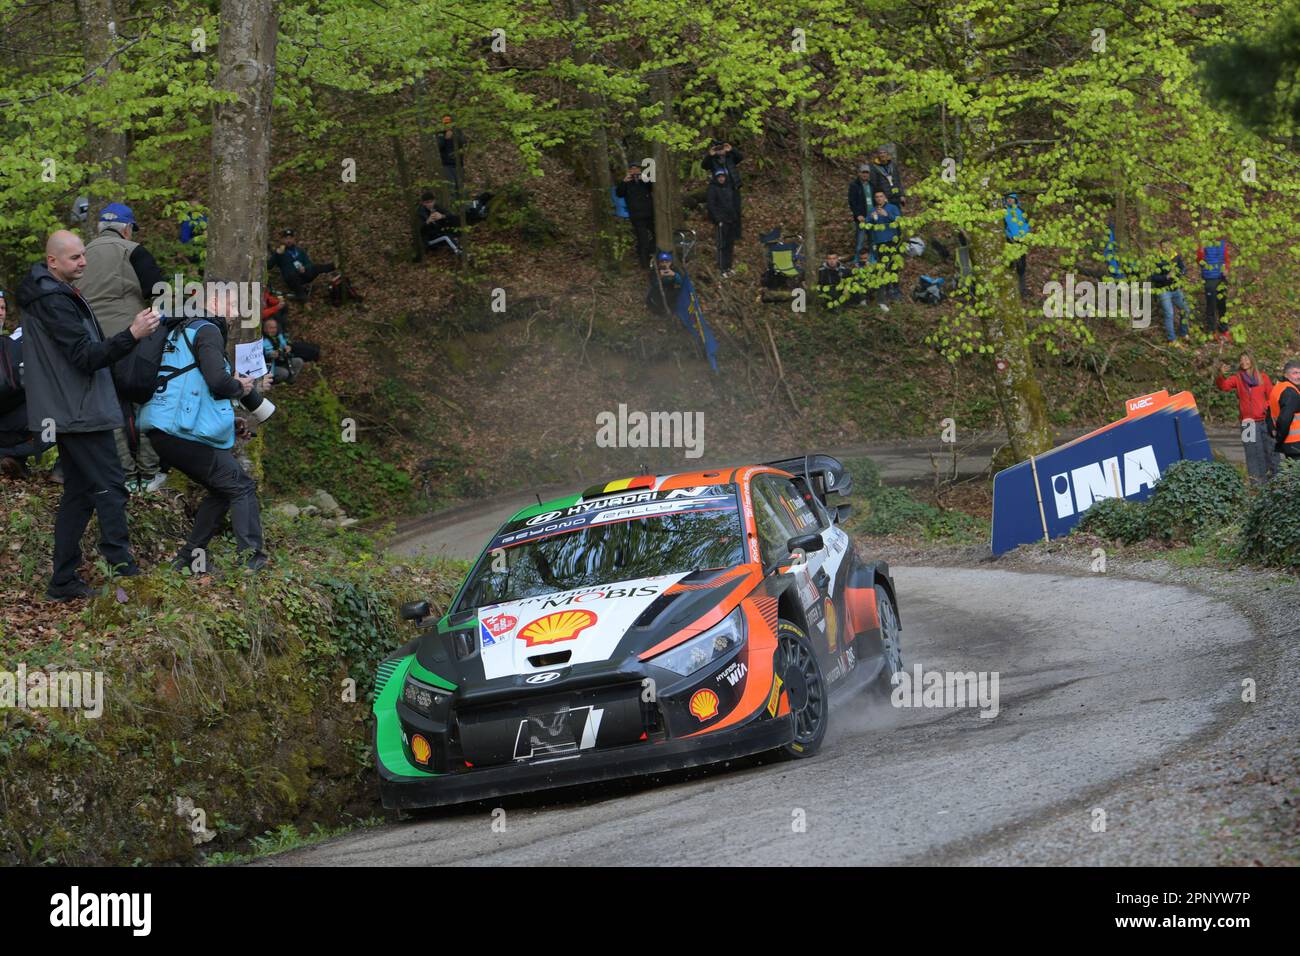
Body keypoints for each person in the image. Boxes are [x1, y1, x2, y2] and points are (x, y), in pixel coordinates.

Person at [16, 230, 159, 600]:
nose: (83, 262)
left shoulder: (55, 293)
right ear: (52, 262)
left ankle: (62, 581)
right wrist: (133, 333)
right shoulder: (53, 299)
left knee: (79, 495)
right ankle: (124, 572)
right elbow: (85, 357)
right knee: (112, 487)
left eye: (83, 255)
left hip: (69, 408)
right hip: (76, 410)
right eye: (75, 258)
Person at [139, 282, 267, 572]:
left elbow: (190, 386)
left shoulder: (180, 329)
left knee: (223, 490)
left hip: (164, 429)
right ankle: (252, 561)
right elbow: (217, 381)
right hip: (179, 432)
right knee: (242, 486)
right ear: (215, 303)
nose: (235, 313)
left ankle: (187, 560)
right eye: (233, 305)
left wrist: (229, 420)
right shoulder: (207, 330)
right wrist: (241, 385)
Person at [79, 202, 168, 493]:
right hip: (133, 337)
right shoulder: (133, 251)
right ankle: (150, 472)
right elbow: (160, 294)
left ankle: (125, 476)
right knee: (146, 400)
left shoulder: (80, 254)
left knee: (110, 406)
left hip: (94, 342)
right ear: (127, 229)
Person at [0, 289, 54, 477]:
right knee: (54, 424)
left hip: (12, 419)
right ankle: (8, 455)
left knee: (51, 421)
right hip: (9, 421)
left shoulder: (13, 343)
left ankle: (15, 459)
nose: (0, 312)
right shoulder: (17, 342)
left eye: (2, 307)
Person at [1217, 355, 1276, 485]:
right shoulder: (1238, 378)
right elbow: (1224, 386)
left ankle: (1274, 483)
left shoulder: (1263, 377)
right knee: (1252, 455)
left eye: (1246, 358)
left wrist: (1265, 408)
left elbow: (1271, 397)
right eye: (1241, 360)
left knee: (1270, 451)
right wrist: (1221, 375)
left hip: (1264, 421)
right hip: (1247, 423)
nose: (1244, 362)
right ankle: (1257, 485)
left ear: (1252, 360)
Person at [269, 229, 336, 300]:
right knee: (292, 275)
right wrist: (276, 255)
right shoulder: (280, 253)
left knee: (315, 267)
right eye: (286, 238)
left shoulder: (299, 251)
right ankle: (303, 297)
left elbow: (309, 263)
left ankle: (333, 266)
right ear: (282, 240)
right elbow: (269, 266)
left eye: (290, 238)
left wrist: (304, 268)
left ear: (294, 239)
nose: (288, 241)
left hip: (303, 275)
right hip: (292, 279)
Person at [867, 190, 903, 310]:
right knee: (883, 267)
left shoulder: (892, 207)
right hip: (879, 242)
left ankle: (896, 289)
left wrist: (887, 215)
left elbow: (899, 221)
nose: (878, 199)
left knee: (893, 265)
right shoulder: (873, 210)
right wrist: (870, 219)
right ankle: (887, 289)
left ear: (885, 198)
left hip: (892, 240)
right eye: (876, 197)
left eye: (881, 196)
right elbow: (866, 224)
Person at [615, 163, 655, 269]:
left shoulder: (644, 181)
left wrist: (644, 178)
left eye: (636, 169)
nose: (634, 171)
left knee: (657, 235)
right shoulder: (627, 183)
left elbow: (652, 187)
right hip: (637, 216)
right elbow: (619, 193)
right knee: (643, 240)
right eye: (632, 170)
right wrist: (624, 181)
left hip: (649, 214)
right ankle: (644, 264)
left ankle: (653, 255)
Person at [701, 141, 743, 236]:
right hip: (720, 188)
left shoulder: (730, 156)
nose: (720, 151)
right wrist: (710, 155)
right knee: (723, 210)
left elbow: (740, 158)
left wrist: (731, 150)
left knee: (736, 210)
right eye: (717, 149)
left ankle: (736, 234)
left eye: (721, 148)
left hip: (733, 186)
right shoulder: (713, 159)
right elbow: (704, 166)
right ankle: (723, 233)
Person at [1150, 246, 1190, 343]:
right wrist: (1166, 277)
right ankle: (1171, 339)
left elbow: (1183, 268)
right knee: (1169, 313)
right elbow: (1152, 277)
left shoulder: (1176, 256)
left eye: (1168, 245)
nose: (1166, 248)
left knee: (1186, 309)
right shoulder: (1157, 258)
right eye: (1164, 246)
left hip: (1175, 289)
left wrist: (1181, 273)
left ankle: (1183, 333)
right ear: (1161, 247)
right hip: (1163, 290)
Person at [706, 168, 740, 277]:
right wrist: (718, 219)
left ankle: (728, 267)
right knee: (722, 245)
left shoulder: (728, 187)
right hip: (721, 221)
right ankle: (722, 269)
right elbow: (711, 205)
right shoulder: (713, 188)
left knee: (730, 245)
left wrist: (735, 217)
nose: (721, 179)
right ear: (716, 178)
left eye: (723, 177)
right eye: (719, 177)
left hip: (731, 220)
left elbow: (733, 203)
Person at [1196, 238, 1230, 340]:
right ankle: (1212, 330)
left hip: (1221, 278)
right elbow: (1199, 260)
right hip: (1210, 278)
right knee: (1211, 305)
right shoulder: (1204, 243)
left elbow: (1226, 259)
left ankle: (1224, 330)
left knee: (1222, 304)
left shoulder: (1222, 243)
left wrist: (1227, 269)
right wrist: (1201, 252)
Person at [1270, 361, 1300, 462]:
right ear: (1286, 375)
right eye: (1295, 373)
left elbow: (1269, 412)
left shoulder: (1278, 387)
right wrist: (1280, 437)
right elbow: (1285, 419)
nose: (1298, 376)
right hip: (1295, 442)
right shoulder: (1290, 392)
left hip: (1290, 442)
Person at [262, 317, 305, 384]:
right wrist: (271, 354)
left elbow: (286, 344)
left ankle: (290, 382)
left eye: (275, 328)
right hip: (271, 367)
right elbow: (267, 353)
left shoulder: (279, 336)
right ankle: (272, 383)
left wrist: (288, 347)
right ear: (265, 329)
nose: (274, 330)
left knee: (299, 361)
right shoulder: (263, 341)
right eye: (271, 328)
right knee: (284, 373)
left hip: (284, 361)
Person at [1003, 193, 1030, 299]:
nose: (1009, 200)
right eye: (1008, 199)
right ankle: (1009, 290)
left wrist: (1023, 236)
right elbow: (1003, 226)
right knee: (1009, 265)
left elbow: (1026, 224)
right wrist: (1009, 236)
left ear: (1015, 200)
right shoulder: (1003, 212)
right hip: (1009, 241)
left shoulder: (1021, 211)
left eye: (1011, 199)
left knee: (1022, 265)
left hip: (1021, 241)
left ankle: (1022, 289)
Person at [848, 163, 874, 260]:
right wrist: (857, 214)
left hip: (872, 217)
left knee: (872, 241)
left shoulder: (872, 185)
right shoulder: (854, 185)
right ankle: (857, 261)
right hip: (862, 218)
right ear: (859, 173)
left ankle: (872, 260)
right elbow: (852, 202)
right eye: (863, 172)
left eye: (867, 172)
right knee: (860, 241)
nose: (865, 175)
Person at [438, 115, 467, 198]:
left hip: (458, 165)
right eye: (445, 123)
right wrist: (445, 138)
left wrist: (455, 136)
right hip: (447, 165)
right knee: (451, 188)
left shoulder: (458, 131)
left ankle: (462, 207)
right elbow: (438, 147)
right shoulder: (440, 133)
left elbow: (463, 143)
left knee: (460, 188)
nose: (447, 125)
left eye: (449, 123)